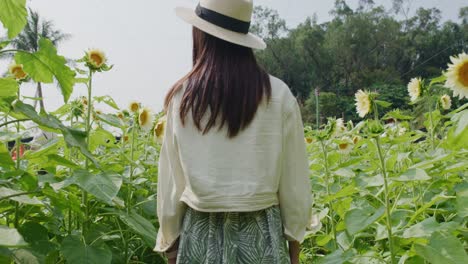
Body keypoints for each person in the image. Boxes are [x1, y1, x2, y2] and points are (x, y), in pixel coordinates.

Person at [153, 0, 313, 263]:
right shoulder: (278, 95)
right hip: (263, 239)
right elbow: (294, 184)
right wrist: (294, 250)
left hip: (200, 237)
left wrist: (171, 245)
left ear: (200, 33)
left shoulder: (183, 99)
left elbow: (172, 183)